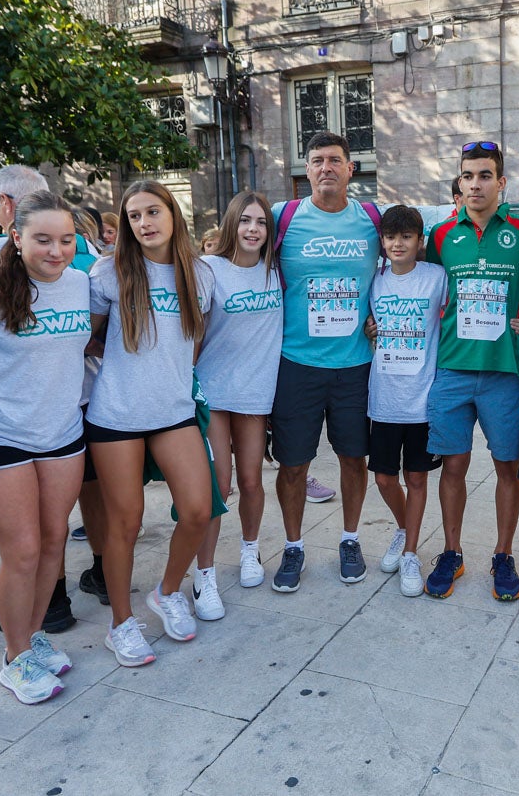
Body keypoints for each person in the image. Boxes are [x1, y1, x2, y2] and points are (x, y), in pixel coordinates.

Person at [0, 191, 89, 703]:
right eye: (43, 240)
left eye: (67, 240)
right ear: (16, 237)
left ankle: (31, 640)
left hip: (62, 435)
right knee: (23, 551)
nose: (57, 251)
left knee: (53, 543)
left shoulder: (81, 285)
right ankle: (14, 658)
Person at [87, 180, 214, 666]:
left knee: (198, 510)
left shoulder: (199, 275)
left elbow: (193, 341)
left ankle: (167, 592)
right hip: (116, 415)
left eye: (153, 212)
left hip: (174, 413)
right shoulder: (109, 272)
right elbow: (87, 337)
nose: (144, 223)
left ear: (173, 215)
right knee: (126, 523)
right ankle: (121, 624)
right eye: (134, 215)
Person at [424, 141, 519, 601]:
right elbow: (416, 285)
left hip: (504, 371)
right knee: (453, 465)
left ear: (501, 182)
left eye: (485, 175)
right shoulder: (440, 235)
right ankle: (452, 552)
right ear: (460, 182)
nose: (476, 184)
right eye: (468, 176)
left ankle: (503, 554)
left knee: (507, 467)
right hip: (451, 369)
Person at [269, 131, 380, 592]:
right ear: (306, 170)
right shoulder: (283, 218)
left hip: (356, 365)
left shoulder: (373, 219)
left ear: (351, 169)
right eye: (317, 161)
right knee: (293, 465)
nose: (326, 168)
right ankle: (293, 546)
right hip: (296, 363)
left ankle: (350, 539)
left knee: (354, 459)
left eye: (335, 160)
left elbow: (409, 266)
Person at [194, 191, 283, 601]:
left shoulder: (276, 270)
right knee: (220, 484)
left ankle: (250, 550)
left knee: (251, 480)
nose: (253, 229)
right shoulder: (210, 268)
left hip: (255, 391)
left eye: (261, 222)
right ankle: (204, 572)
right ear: (232, 224)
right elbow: (192, 331)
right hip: (213, 389)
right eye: (246, 220)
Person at [365, 205, 446, 596]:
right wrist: (369, 329)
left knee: (416, 478)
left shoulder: (436, 278)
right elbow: (366, 324)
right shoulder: (374, 280)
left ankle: (411, 551)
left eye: (406, 237)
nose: (398, 244)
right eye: (391, 237)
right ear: (382, 242)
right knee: (383, 478)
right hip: (383, 398)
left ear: (420, 242)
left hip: (423, 399)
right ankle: (404, 528)